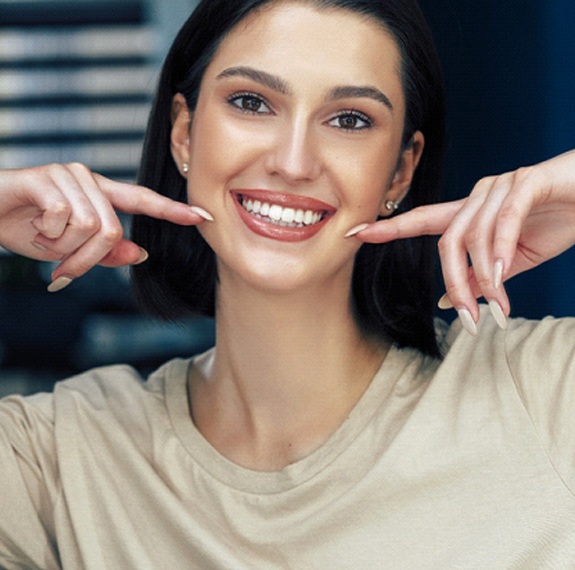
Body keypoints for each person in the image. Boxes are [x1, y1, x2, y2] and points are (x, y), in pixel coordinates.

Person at [1, 0, 575, 567]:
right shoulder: (54, 460)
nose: (294, 161)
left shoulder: (545, 392)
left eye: (349, 119)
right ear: (184, 133)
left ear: (401, 169)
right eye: (251, 102)